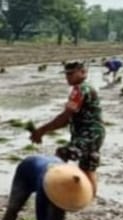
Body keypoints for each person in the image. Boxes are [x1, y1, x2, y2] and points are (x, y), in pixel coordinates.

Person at [29, 61, 104, 195]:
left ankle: (56, 191)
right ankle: (88, 198)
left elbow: (64, 117)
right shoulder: (85, 88)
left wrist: (41, 131)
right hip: (95, 134)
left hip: (88, 134)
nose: (68, 77)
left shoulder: (80, 90)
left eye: (71, 74)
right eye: (67, 74)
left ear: (83, 72)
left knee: (63, 154)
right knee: (88, 167)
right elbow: (65, 121)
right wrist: (43, 131)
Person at [0, 156, 94, 220]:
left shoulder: (69, 178)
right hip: (26, 171)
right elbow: (40, 210)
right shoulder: (46, 180)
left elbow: (62, 208)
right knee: (13, 207)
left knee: (57, 211)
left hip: (47, 169)